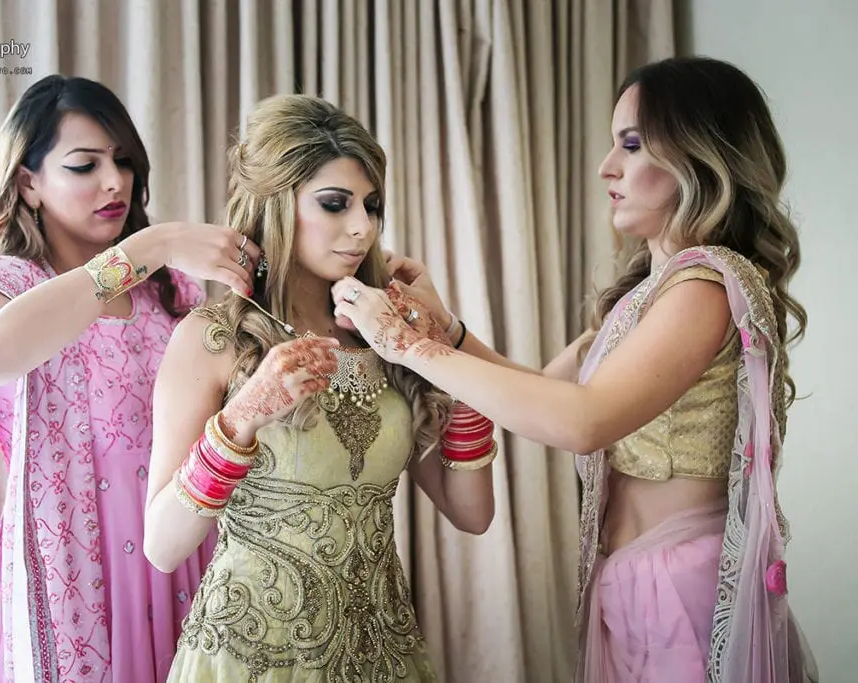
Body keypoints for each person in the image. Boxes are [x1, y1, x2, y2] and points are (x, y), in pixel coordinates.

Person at [330, 56, 820, 682]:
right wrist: (444, 327)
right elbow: (539, 392)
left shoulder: (704, 287)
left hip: (679, 588)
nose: (605, 167)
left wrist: (401, 343)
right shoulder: (650, 293)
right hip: (635, 580)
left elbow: (582, 422)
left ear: (698, 157)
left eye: (632, 144)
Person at [142, 93, 497, 682]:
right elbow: (161, 545)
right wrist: (242, 419)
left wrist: (439, 351)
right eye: (335, 204)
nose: (362, 227)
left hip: (380, 654)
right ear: (276, 205)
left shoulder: (388, 333)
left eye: (372, 205)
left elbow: (473, 513)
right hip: (249, 657)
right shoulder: (213, 339)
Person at [0, 74, 263, 683]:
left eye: (123, 161)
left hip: (179, 551)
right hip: (74, 571)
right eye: (85, 165)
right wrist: (157, 242)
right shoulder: (3, 285)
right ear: (28, 183)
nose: (115, 181)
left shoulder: (170, 295)